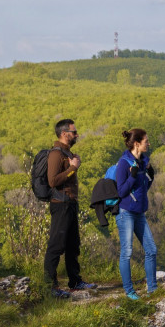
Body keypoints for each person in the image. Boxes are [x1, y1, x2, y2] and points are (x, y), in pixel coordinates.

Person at [44, 118, 97, 298]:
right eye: (74, 132)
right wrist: (73, 168)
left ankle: (75, 282)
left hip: (71, 204)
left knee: (73, 245)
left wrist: (73, 164)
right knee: (56, 245)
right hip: (61, 205)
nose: (77, 135)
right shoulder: (56, 154)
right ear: (64, 133)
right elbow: (53, 181)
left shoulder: (67, 153)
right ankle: (50, 286)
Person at [114, 128, 157, 300]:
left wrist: (151, 176)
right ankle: (129, 291)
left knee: (151, 250)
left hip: (139, 211)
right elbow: (121, 191)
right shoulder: (124, 163)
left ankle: (153, 289)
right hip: (126, 212)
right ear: (137, 144)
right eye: (146, 141)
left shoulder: (143, 161)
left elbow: (143, 188)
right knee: (127, 252)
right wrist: (132, 177)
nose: (149, 143)